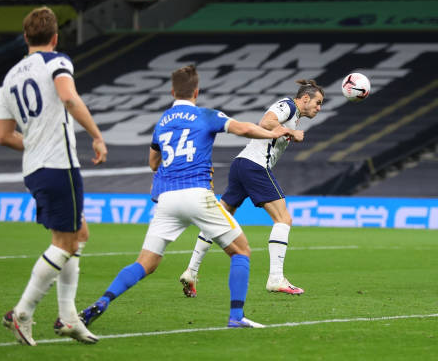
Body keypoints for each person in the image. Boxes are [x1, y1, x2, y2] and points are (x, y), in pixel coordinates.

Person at [79, 65, 291, 329]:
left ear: (172, 91)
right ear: (196, 92)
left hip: (166, 199)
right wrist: (273, 133)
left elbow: (153, 162)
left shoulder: (163, 122)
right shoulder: (205, 115)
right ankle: (236, 316)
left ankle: (102, 301)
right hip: (197, 193)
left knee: (145, 263)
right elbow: (243, 129)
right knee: (241, 251)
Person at [0, 6, 108, 346]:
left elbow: (2, 135)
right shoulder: (56, 61)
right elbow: (69, 98)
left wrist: (33, 145)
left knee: (78, 233)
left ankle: (69, 317)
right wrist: (96, 135)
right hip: (59, 165)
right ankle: (23, 312)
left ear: (26, 38)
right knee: (67, 243)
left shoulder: (10, 78)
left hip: (35, 167)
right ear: (55, 38)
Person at [179, 80, 324, 298]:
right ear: (305, 98)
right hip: (254, 165)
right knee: (283, 219)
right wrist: (289, 132)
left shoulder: (293, 114)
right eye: (318, 102)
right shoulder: (289, 105)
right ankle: (276, 278)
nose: (319, 108)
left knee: (218, 219)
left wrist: (286, 131)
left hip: (241, 164)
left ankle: (191, 271)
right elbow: (266, 122)